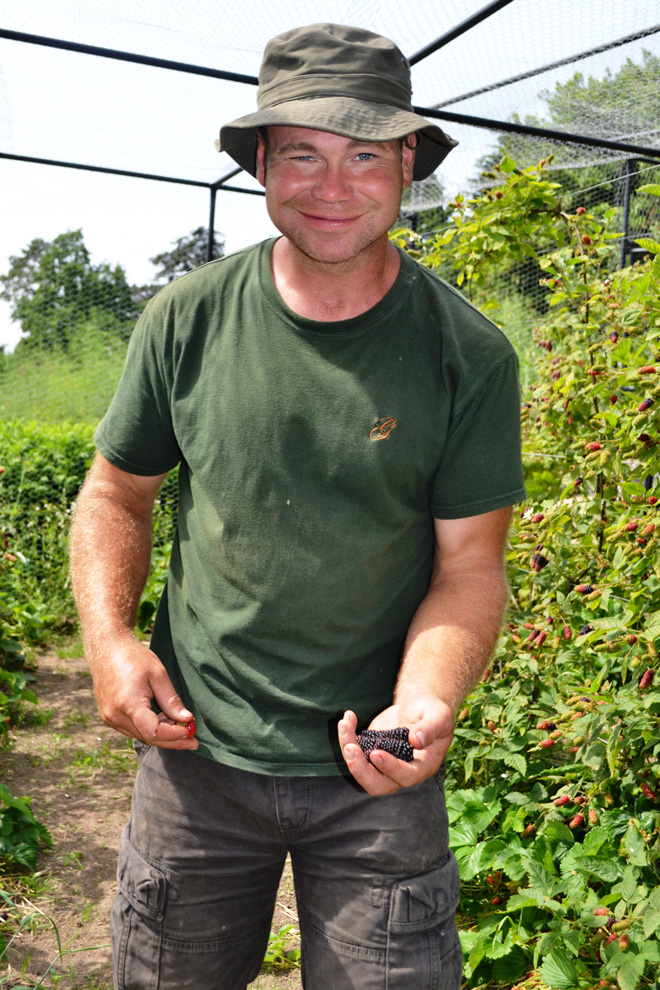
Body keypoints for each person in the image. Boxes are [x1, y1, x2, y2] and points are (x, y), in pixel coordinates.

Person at [69, 22, 526, 990]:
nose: (333, 186)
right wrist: (109, 640)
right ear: (263, 162)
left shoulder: (468, 356)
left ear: (408, 163)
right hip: (197, 752)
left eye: (364, 154)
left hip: (379, 775)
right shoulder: (185, 321)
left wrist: (429, 697)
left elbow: (469, 567)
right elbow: (116, 493)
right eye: (305, 155)